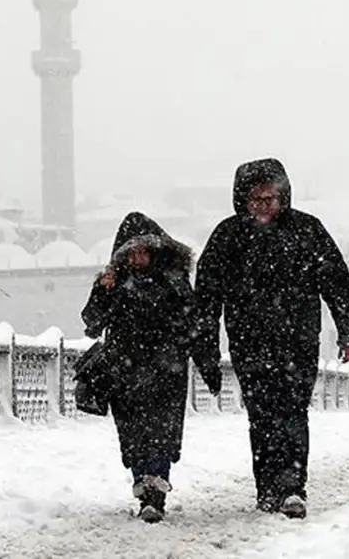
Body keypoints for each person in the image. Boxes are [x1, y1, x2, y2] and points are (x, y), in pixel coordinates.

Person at [194, 158, 349, 519]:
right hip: (249, 342)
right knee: (262, 415)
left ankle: (291, 487)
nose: (264, 206)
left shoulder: (307, 230)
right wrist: (205, 346)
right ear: (243, 200)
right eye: (257, 199)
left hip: (297, 341)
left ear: (283, 197)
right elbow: (206, 297)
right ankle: (267, 488)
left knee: (292, 411)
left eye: (270, 198)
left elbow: (336, 281)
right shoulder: (228, 237)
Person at [81, 212, 222, 524]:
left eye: (143, 250)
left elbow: (194, 326)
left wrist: (208, 366)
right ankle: (143, 484)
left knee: (161, 432)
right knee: (133, 434)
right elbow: (92, 324)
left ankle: (154, 492)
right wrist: (103, 291)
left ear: (157, 250)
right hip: (125, 371)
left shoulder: (175, 282)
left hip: (166, 371)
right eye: (131, 252)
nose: (138, 258)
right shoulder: (114, 283)